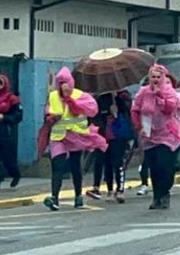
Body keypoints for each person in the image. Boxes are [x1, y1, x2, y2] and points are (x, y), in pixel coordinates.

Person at [42, 67, 107, 211]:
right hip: (59, 135)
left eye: (65, 82)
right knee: (57, 166)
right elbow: (47, 113)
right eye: (60, 83)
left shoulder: (81, 95)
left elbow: (91, 110)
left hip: (77, 136)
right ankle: (54, 198)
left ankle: (78, 195)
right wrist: (51, 117)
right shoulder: (53, 96)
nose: (63, 85)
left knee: (75, 166)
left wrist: (69, 100)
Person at [131, 64, 180, 210]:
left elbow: (170, 108)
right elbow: (135, 110)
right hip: (149, 134)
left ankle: (165, 192)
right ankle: (156, 197)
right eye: (153, 77)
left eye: (158, 77)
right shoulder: (143, 92)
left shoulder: (169, 91)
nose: (155, 80)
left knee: (165, 166)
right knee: (154, 167)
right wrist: (139, 126)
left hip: (167, 134)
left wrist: (159, 95)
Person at [86, 89, 132, 203]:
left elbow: (128, 112)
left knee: (118, 162)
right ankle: (110, 190)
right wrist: (107, 114)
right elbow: (95, 118)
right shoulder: (100, 100)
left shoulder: (121, 98)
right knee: (108, 163)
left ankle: (120, 190)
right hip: (105, 136)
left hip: (119, 135)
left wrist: (118, 106)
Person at [0, 73, 22, 189]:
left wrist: (5, 118)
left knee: (8, 158)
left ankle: (15, 174)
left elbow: (18, 115)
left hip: (5, 131)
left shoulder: (11, 99)